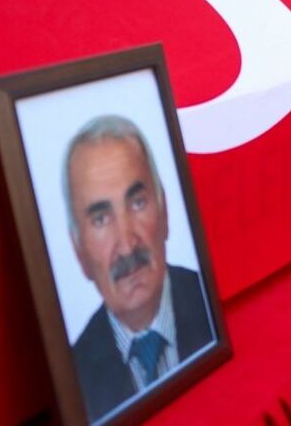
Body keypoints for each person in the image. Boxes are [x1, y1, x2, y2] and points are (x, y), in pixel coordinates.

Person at [65, 116, 213, 422]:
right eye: (100, 219)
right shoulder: (75, 376)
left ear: (164, 211)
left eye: (137, 203)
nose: (127, 245)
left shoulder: (210, 304)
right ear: (79, 252)